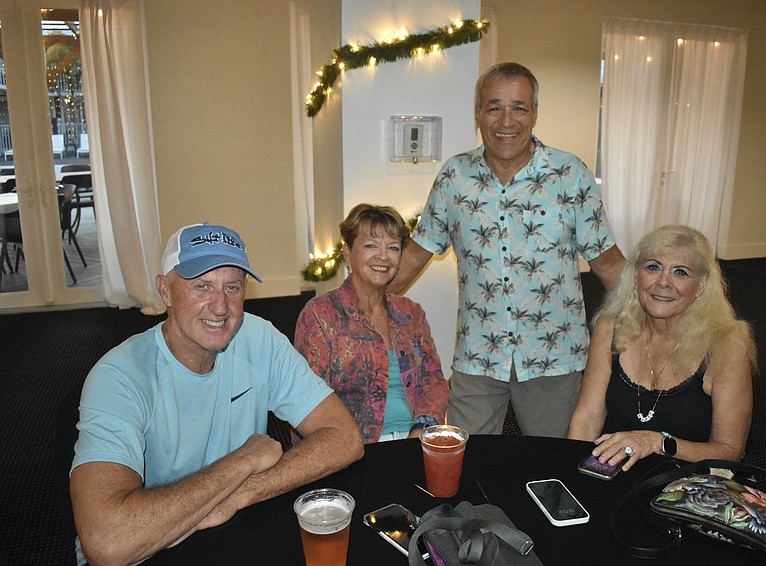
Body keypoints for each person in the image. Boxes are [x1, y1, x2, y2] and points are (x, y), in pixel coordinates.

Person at [70, 223, 363, 565]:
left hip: (227, 530)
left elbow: (345, 438)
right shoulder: (119, 377)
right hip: (151, 549)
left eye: (232, 287)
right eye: (202, 286)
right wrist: (242, 461)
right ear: (165, 291)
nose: (220, 306)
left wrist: (240, 492)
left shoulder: (259, 339)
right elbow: (108, 542)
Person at [390, 62, 624, 437]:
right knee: (465, 463)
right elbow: (416, 253)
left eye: (519, 107)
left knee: (552, 467)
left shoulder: (570, 174)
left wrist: (656, 320)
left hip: (554, 358)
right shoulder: (455, 177)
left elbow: (608, 263)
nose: (506, 120)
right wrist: (358, 307)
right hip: (479, 355)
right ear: (478, 113)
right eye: (494, 106)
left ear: (534, 114)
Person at [567, 225, 756, 471]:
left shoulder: (725, 345)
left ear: (701, 285)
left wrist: (658, 443)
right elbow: (588, 417)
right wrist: (569, 474)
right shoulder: (611, 327)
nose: (664, 282)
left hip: (686, 485)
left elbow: (730, 451)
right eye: (653, 267)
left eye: (681, 272)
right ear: (635, 275)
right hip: (613, 474)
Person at [295, 204, 449, 443]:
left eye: (393, 248)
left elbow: (434, 384)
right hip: (351, 449)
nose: (383, 256)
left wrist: (421, 430)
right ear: (347, 252)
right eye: (370, 245)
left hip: (416, 440)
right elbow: (307, 400)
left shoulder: (411, 313)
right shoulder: (320, 315)